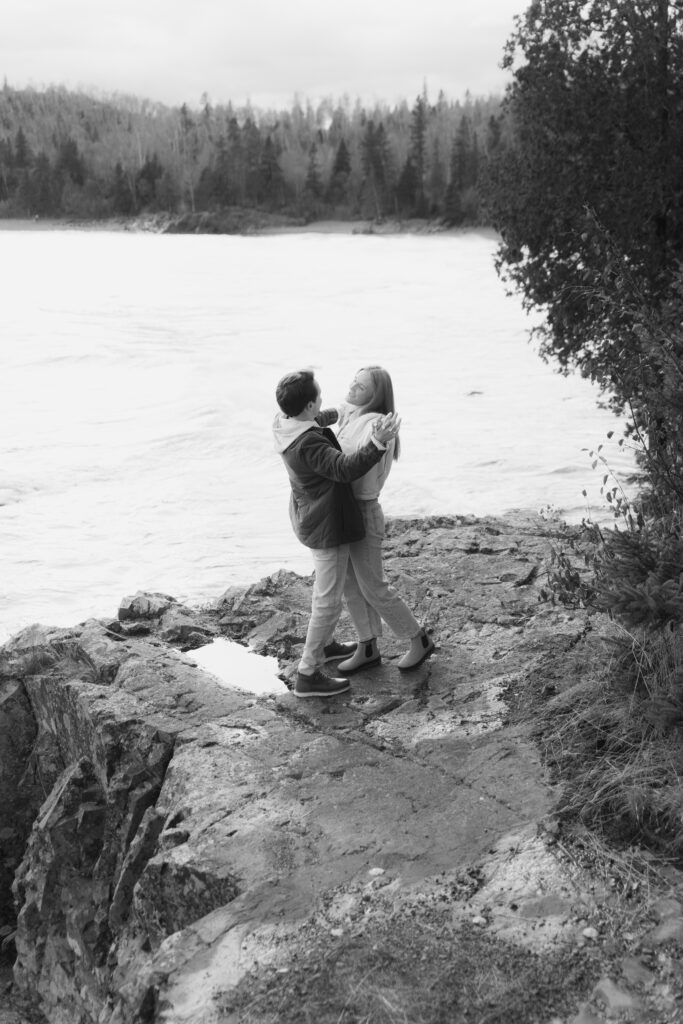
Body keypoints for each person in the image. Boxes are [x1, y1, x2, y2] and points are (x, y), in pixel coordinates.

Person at [273, 369, 400, 698]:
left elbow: (318, 418)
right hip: (327, 525)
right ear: (310, 404)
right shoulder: (310, 442)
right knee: (327, 602)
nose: (325, 402)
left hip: (310, 515)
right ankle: (308, 672)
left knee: (343, 587)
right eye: (319, 399)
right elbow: (344, 469)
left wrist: (338, 413)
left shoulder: (285, 423)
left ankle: (328, 646)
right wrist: (376, 442)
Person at [331, 366, 435, 674]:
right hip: (346, 509)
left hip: (363, 510)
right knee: (350, 584)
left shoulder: (378, 423)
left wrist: (376, 440)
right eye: (353, 380)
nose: (353, 387)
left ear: (375, 394)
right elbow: (328, 417)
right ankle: (367, 646)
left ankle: (419, 639)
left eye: (361, 386)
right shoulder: (350, 414)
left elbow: (359, 462)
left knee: (374, 586)